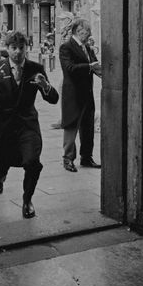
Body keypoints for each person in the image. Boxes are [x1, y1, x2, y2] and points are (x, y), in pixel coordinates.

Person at [0, 31, 58, 219]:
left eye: (21, 48)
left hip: (27, 125)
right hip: (3, 127)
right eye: (14, 48)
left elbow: (53, 99)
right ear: (7, 48)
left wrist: (45, 86)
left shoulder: (35, 68)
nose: (18, 52)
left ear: (26, 49)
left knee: (32, 162)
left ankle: (27, 199)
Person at [59, 18, 101, 172]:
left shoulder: (88, 48)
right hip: (73, 94)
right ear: (78, 30)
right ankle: (68, 159)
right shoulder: (66, 47)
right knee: (71, 127)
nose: (89, 33)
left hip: (87, 94)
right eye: (86, 31)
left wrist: (103, 72)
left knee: (88, 127)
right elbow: (69, 68)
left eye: (88, 31)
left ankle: (86, 157)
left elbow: (95, 66)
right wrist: (89, 66)